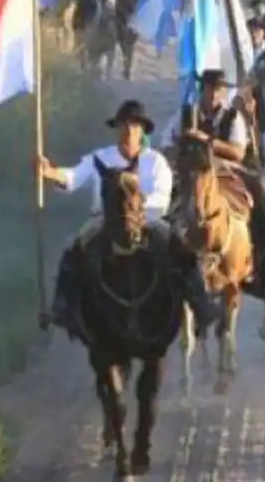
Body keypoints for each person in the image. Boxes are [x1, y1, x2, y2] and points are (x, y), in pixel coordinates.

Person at [35, 100, 209, 329]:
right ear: (117, 129)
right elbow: (74, 176)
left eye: (135, 126)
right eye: (124, 125)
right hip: (104, 220)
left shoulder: (155, 162)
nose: (129, 131)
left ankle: (200, 303)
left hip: (148, 220)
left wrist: (135, 211)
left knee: (182, 249)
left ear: (142, 131)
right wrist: (49, 171)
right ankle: (62, 306)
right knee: (73, 249)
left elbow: (162, 197)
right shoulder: (101, 157)